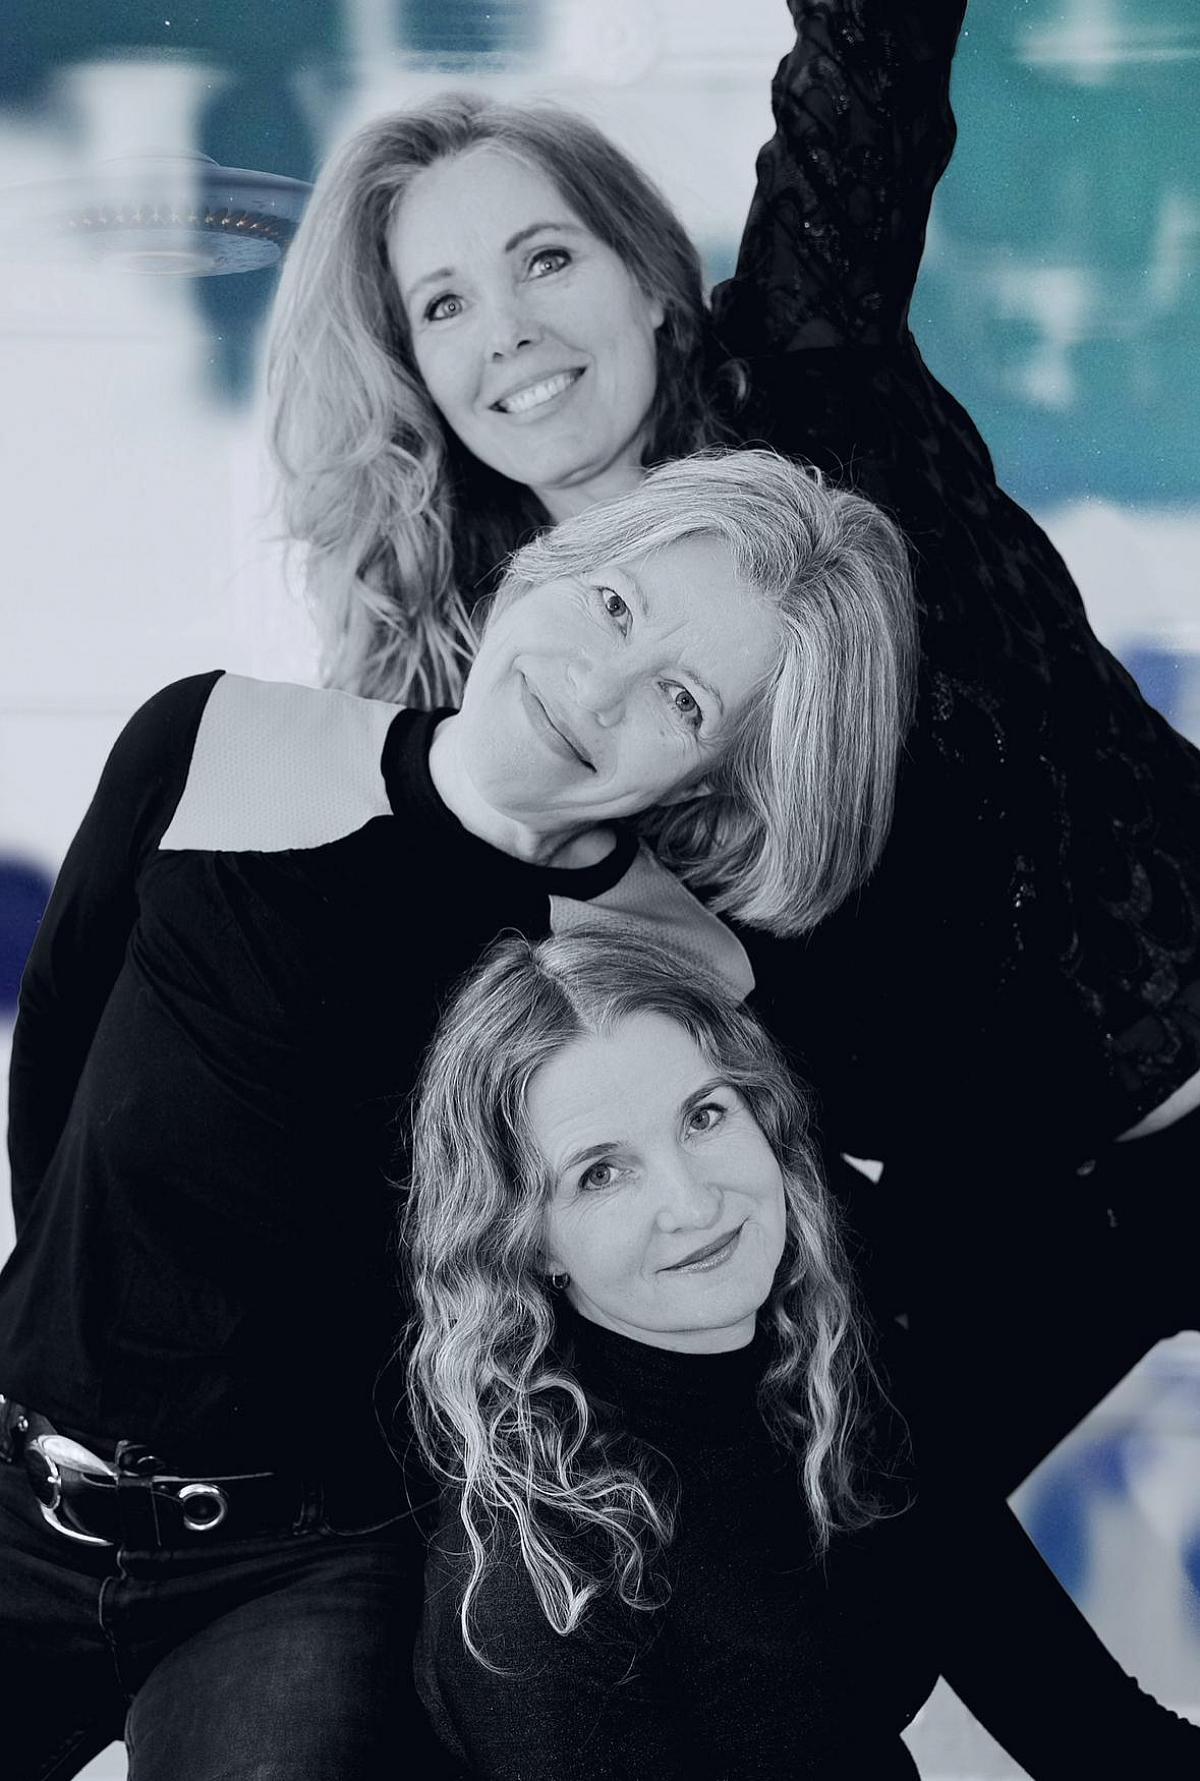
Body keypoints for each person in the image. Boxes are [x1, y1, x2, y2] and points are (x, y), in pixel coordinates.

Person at [268, 1, 1200, 1496]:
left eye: (544, 258)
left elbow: (868, 59)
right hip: (998, 1209)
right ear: (416, 376)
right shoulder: (497, 689)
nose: (506, 329)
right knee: (845, 1570)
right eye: (441, 305)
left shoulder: (812, 383)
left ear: (649, 279)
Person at [0, 450, 913, 1779]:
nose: (596, 686)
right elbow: (53, 1066)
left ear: (715, 777)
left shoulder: (666, 966)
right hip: (21, 1473)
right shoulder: (210, 739)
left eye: (682, 699)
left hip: (313, 1569)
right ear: (542, 567)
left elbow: (759, 1258)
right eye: (614, 606)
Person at [405, 926, 1200, 1780]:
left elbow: (1094, 1732)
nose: (692, 1203)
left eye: (704, 1115)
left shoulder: (841, 1379)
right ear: (529, 1241)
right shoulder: (536, 1591)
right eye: (601, 1172)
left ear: (767, 1118)